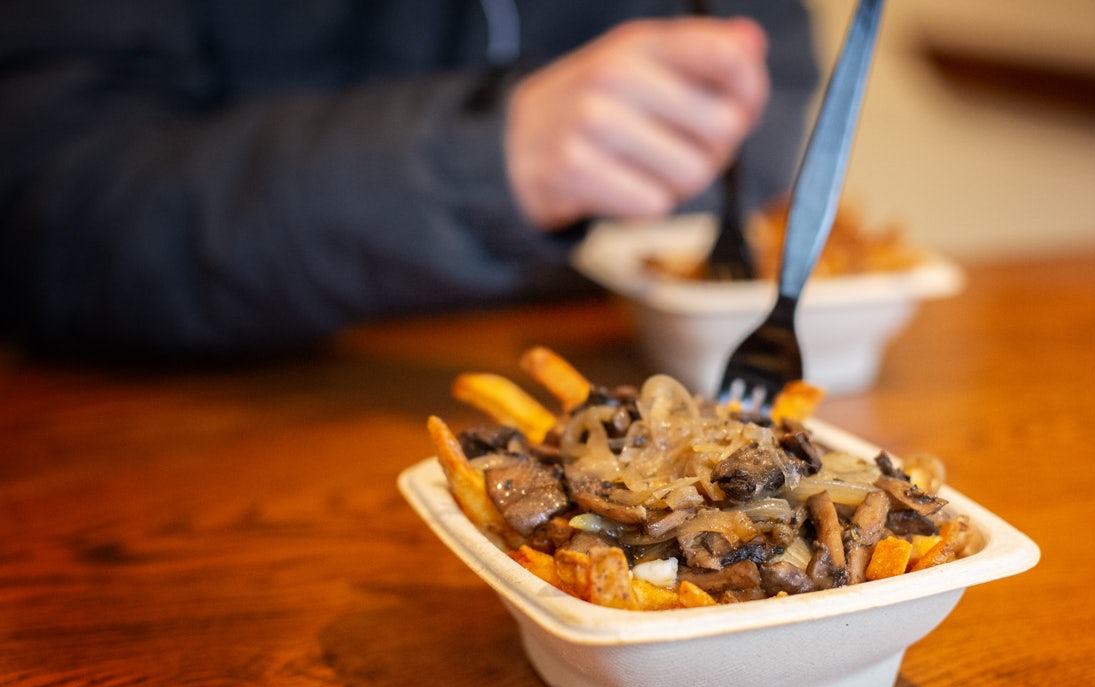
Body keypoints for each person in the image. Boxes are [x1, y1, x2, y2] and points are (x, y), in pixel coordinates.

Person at [0, 1, 818, 357]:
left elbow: (766, 92)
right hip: (195, 418)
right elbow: (49, 208)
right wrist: (479, 163)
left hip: (617, 362)